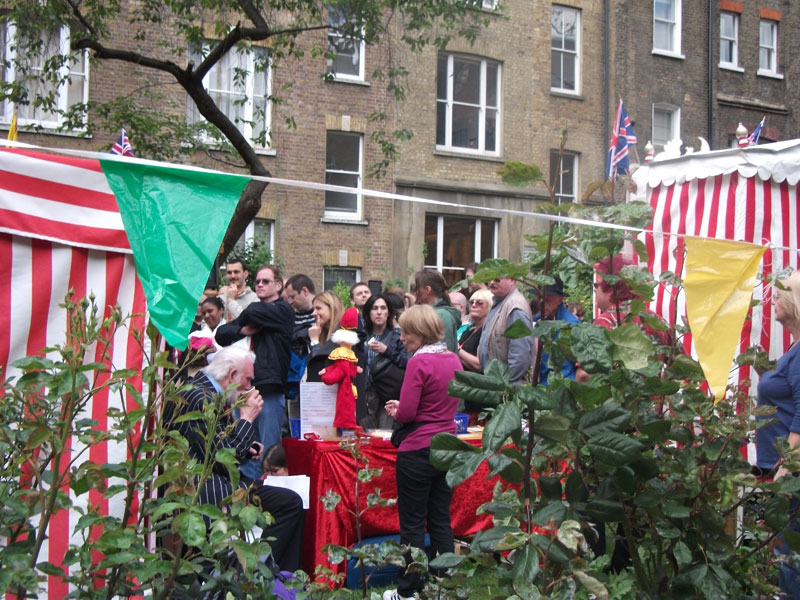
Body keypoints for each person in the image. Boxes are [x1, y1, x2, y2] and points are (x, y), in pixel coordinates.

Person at [383, 305, 463, 600]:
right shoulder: (453, 358)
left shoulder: (419, 363)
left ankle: (408, 592)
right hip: (448, 446)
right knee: (441, 519)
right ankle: (443, 587)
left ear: (420, 332)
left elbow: (407, 412)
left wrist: (396, 410)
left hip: (417, 450)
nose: (401, 338)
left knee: (413, 525)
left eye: (405, 332)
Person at [216, 265, 294, 481]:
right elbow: (221, 334)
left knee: (267, 450)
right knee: (243, 445)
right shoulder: (258, 313)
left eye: (265, 281)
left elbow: (251, 311)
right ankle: (243, 494)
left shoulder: (283, 310)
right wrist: (242, 330)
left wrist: (244, 317)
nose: (259, 284)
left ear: (279, 286)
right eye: (258, 281)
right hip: (243, 390)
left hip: (268, 388)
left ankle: (265, 496)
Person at [756, 270, 800, 599]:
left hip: (793, 473)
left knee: (791, 558)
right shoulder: (794, 349)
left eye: (780, 294)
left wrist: (787, 465)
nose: (773, 300)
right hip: (785, 470)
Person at [307, 292, 368, 421]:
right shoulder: (327, 336)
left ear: (332, 308)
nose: (313, 313)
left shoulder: (345, 340)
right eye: (313, 309)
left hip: (344, 408)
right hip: (330, 405)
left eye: (318, 308)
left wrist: (314, 343)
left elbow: (320, 366)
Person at [362, 293, 407, 429]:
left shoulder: (397, 335)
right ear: (368, 312)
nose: (379, 312)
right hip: (364, 394)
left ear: (389, 313)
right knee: (364, 436)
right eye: (375, 308)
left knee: (384, 434)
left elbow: (406, 362)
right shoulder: (361, 335)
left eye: (383, 308)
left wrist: (387, 351)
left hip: (387, 395)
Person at [478, 277, 534, 385]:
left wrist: (506, 385)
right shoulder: (501, 301)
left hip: (507, 389)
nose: (491, 282)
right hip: (496, 383)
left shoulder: (515, 308)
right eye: (490, 279)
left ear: (512, 280)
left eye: (497, 279)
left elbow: (520, 355)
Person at [535, 275, 580, 384]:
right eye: (540, 299)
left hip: (562, 388)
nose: (542, 304)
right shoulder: (537, 320)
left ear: (560, 300)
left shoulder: (571, 326)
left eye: (547, 300)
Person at [283, 274, 317, 415]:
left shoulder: (323, 315)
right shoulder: (290, 317)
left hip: (315, 384)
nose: (290, 302)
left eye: (292, 297)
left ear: (304, 291)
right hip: (293, 384)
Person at [413, 270, 460, 352]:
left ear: (427, 290)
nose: (415, 293)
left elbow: (443, 353)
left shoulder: (442, 316)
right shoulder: (432, 313)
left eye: (417, 288)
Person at [456, 289, 493, 373]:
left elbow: (480, 365)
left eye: (479, 303)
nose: (474, 305)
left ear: (490, 306)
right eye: (471, 302)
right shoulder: (469, 329)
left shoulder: (488, 331)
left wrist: (457, 349)